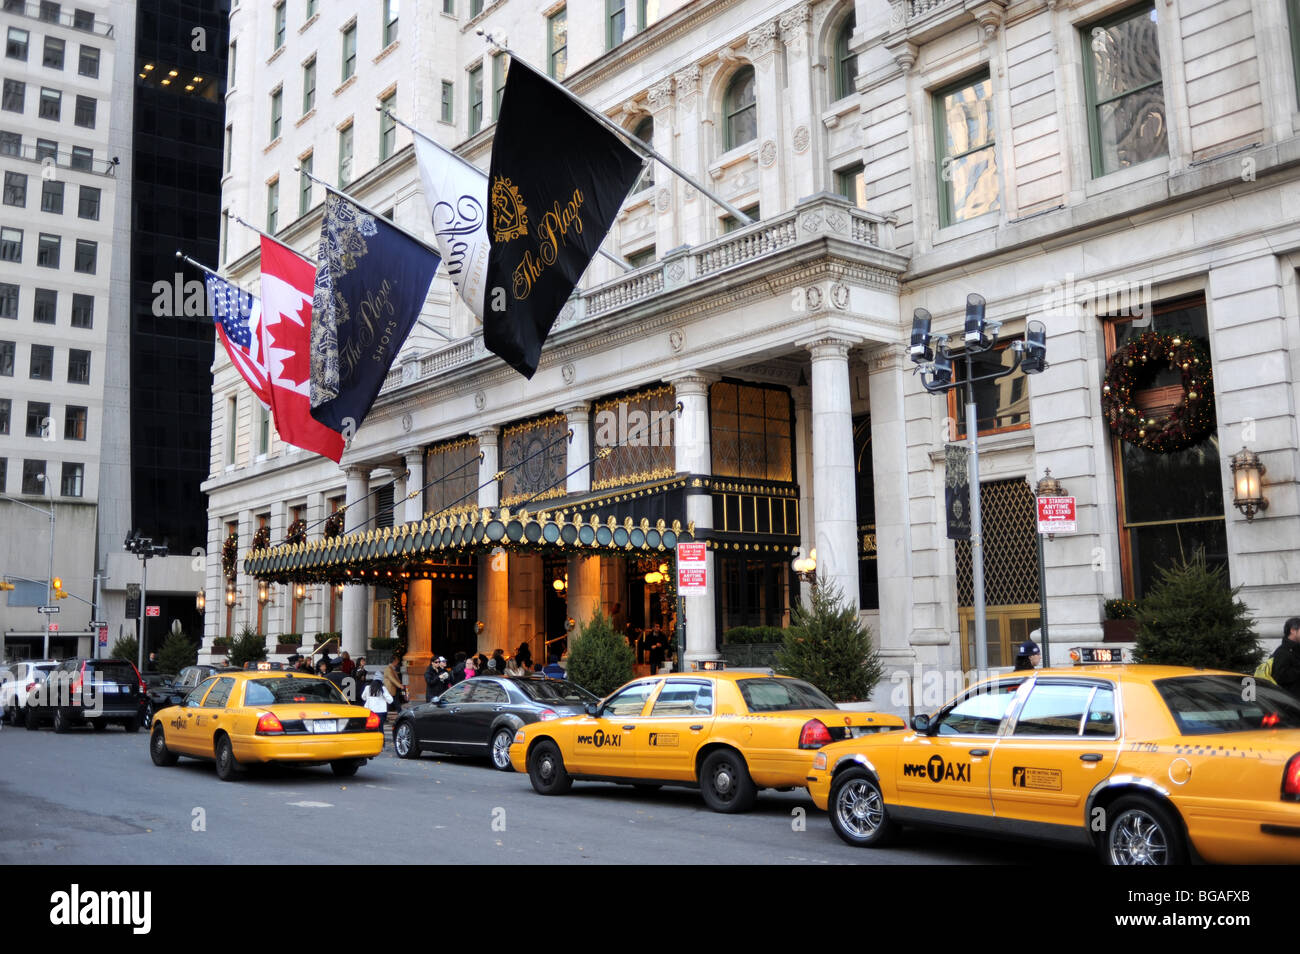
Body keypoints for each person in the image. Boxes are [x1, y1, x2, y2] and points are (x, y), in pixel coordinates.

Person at [1272, 617, 1300, 701]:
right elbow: (1279, 677)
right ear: (1293, 631)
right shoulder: (1282, 652)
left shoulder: (1296, 650)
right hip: (1291, 704)